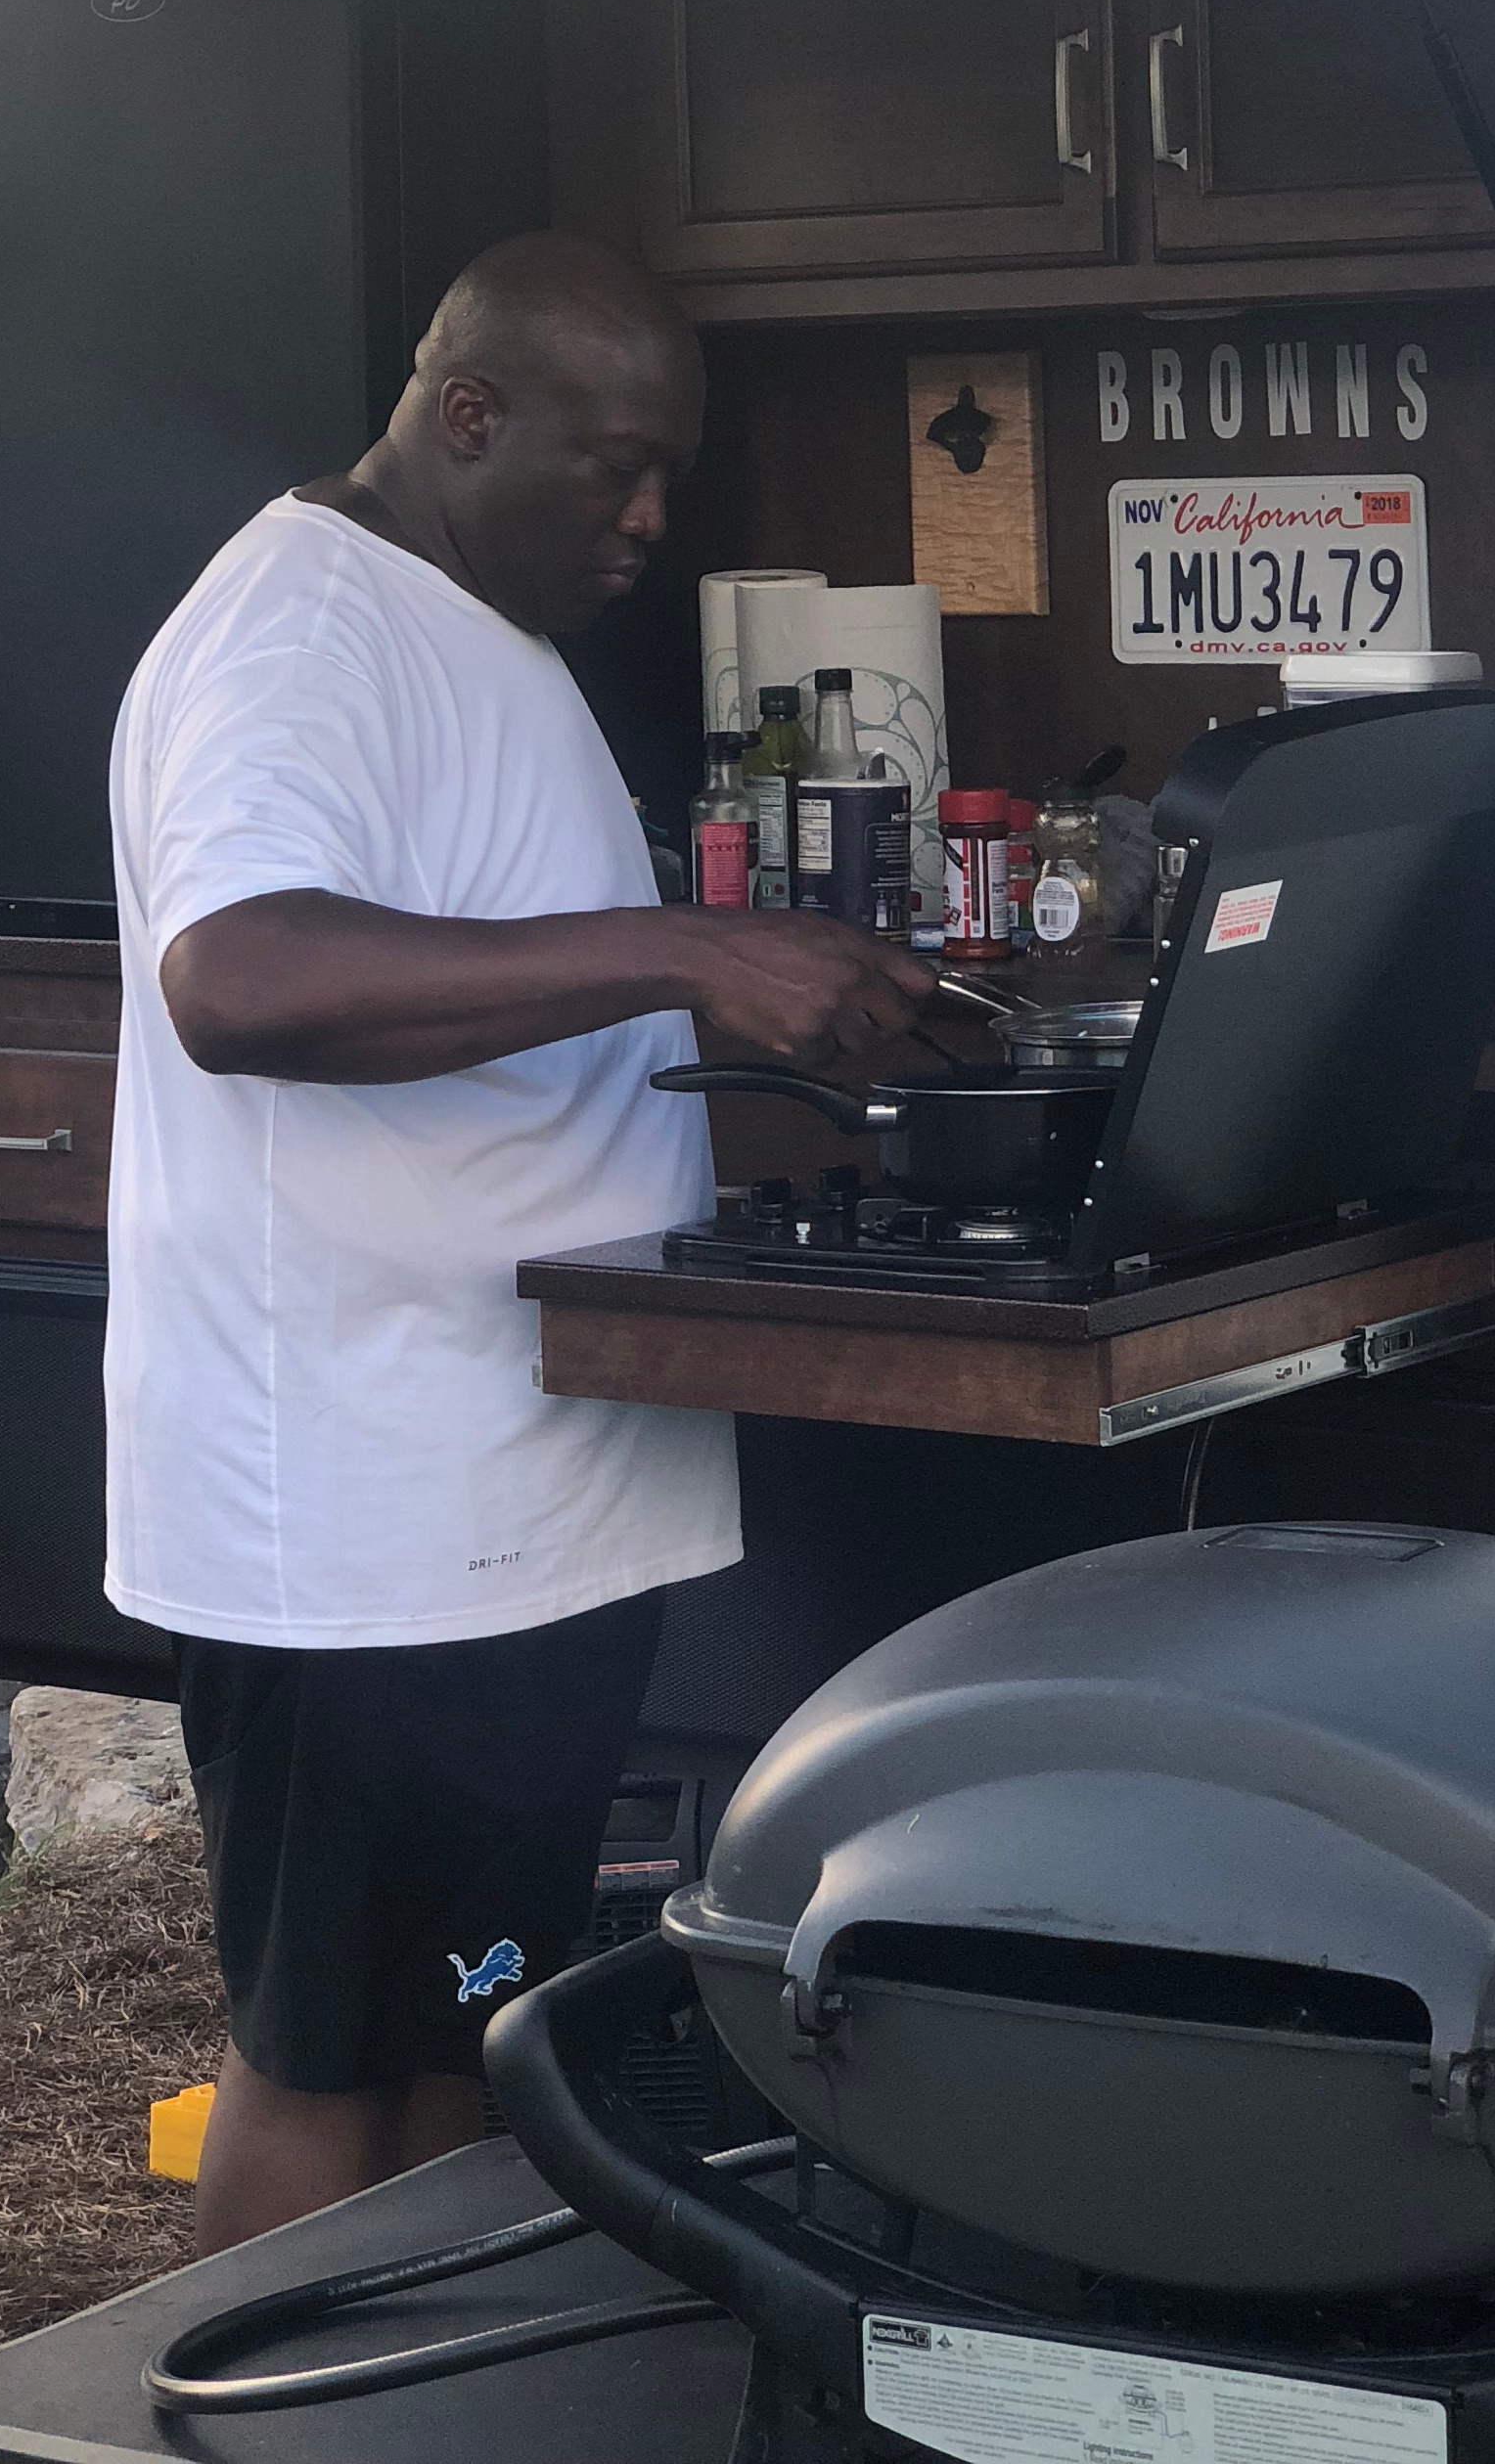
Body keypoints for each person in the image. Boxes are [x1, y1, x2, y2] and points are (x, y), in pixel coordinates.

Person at [106, 231, 932, 2256]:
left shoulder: (475, 627)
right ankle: (220, 2411)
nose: (653, 519)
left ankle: (423, 2410)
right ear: (467, 413)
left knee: (470, 2043)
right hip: (367, 1534)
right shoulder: (305, 633)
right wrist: (682, 945)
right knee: (325, 2070)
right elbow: (245, 975)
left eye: (673, 477)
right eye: (618, 467)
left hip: (514, 1503)